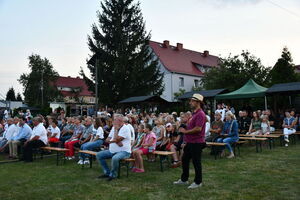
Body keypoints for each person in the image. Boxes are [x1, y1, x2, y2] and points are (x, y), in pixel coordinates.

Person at [173, 93, 206, 189]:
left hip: (197, 142)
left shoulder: (200, 114)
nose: (190, 102)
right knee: (185, 160)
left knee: (196, 162)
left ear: (198, 102)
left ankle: (198, 182)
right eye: (190, 101)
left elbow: (198, 129)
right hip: (190, 142)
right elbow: (192, 127)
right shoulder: (194, 114)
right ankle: (184, 179)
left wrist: (185, 131)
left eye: (192, 101)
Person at [96, 114, 131, 181]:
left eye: (115, 120)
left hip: (124, 151)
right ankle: (107, 172)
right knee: (99, 155)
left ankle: (113, 175)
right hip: (112, 150)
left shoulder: (125, 128)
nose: (113, 121)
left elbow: (116, 139)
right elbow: (107, 139)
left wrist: (116, 132)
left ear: (120, 121)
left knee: (115, 158)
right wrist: (115, 140)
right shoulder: (114, 127)